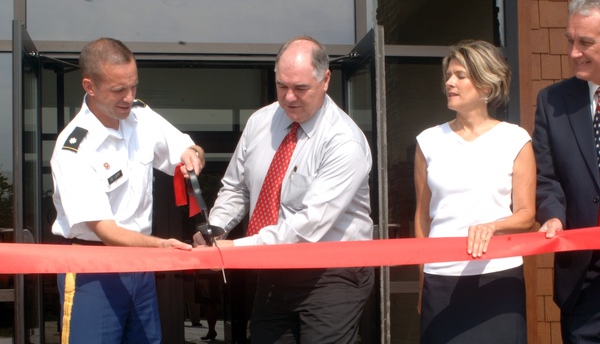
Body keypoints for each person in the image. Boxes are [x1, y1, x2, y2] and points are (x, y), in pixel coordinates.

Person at [193, 35, 374, 343]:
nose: (289, 97)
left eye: (301, 88)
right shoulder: (260, 122)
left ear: (325, 79)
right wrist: (216, 228)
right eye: (281, 86)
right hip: (274, 267)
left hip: (331, 272)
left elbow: (307, 227)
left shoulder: (344, 141)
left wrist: (234, 250)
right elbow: (236, 187)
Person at [51, 37, 205, 344]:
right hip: (93, 270)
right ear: (89, 86)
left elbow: (188, 148)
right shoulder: (74, 148)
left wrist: (193, 155)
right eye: (118, 89)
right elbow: (106, 231)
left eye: (133, 86)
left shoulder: (141, 117)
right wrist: (161, 248)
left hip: (141, 266)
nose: (129, 97)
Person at [414, 39, 536, 343]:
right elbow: (422, 219)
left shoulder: (515, 139)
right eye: (448, 75)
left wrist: (492, 226)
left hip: (499, 280)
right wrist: (422, 282)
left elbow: (527, 215)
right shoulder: (428, 142)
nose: (449, 83)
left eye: (460, 75)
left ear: (485, 86)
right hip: (440, 280)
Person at [533, 0, 600, 343]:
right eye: (569, 40)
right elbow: (547, 177)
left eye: (585, 42)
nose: (574, 53)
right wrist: (553, 214)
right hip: (583, 283)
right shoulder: (552, 102)